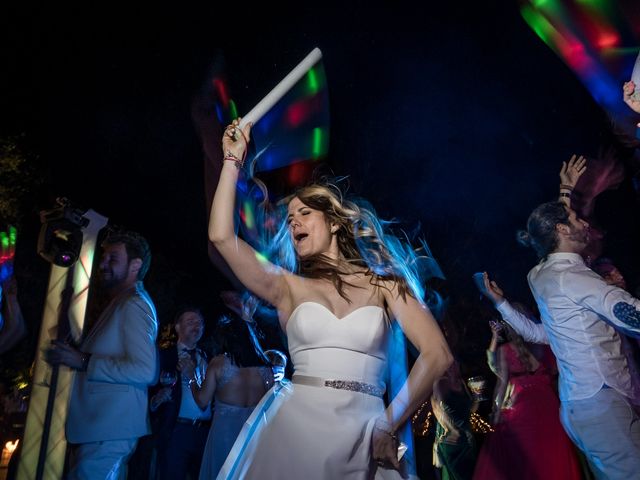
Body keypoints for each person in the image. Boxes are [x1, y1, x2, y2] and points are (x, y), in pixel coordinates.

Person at [207, 118, 452, 479]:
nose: (294, 224)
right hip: (296, 431)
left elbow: (437, 354)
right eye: (290, 219)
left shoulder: (385, 284)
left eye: (305, 213)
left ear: (335, 222)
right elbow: (222, 237)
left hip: (366, 433)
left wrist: (388, 424)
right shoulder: (286, 286)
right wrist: (232, 161)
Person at [486, 198, 640, 478]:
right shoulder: (574, 277)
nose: (585, 224)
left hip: (579, 407)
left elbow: (539, 333)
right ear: (562, 230)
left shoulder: (538, 275)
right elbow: (627, 312)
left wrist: (501, 304)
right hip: (602, 403)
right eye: (576, 219)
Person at [46, 229, 158, 479]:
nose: (103, 264)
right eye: (104, 257)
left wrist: (83, 361)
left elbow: (145, 370)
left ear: (135, 265)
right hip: (98, 430)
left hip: (110, 431)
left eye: (113, 258)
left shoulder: (135, 304)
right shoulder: (120, 303)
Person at [472, 316, 582, 480]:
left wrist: (496, 413)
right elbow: (558, 372)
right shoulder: (544, 345)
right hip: (549, 404)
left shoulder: (507, 350)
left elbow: (501, 381)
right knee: (553, 454)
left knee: (528, 460)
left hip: (524, 408)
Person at [179, 300, 274, 479]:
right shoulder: (265, 368)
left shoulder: (219, 364)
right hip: (254, 436)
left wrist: (191, 376)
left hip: (226, 436)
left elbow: (202, 401)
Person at [150, 306, 211, 480]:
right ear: (177, 327)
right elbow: (152, 390)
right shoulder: (164, 356)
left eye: (199, 322)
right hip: (176, 431)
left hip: (205, 433)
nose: (196, 325)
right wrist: (156, 400)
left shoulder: (207, 356)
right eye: (190, 321)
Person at [430, 360, 477, 480]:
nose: (453, 368)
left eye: (455, 364)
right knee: (454, 475)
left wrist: (477, 396)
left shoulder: (462, 383)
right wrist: (453, 430)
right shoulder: (440, 383)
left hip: (466, 439)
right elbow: (439, 410)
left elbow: (472, 410)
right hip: (450, 438)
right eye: (450, 365)